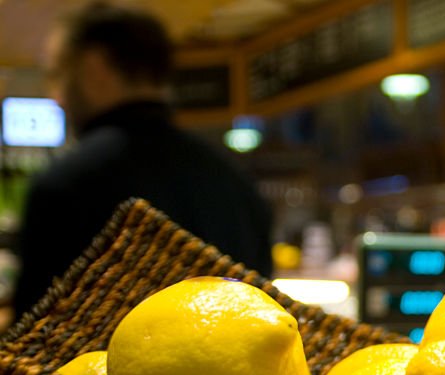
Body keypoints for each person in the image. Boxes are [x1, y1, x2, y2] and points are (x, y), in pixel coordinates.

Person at [13, 1, 273, 317]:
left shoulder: (67, 184)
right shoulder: (237, 183)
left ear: (95, 69)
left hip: (101, 367)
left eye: (57, 74)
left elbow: (31, 339)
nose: (56, 97)